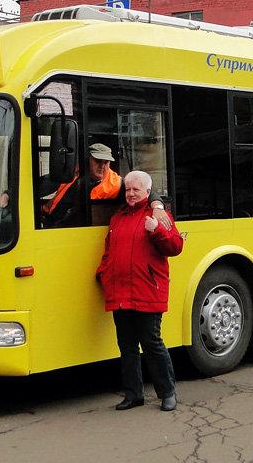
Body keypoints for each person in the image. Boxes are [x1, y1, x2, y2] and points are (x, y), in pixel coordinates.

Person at [96, 170, 183, 412]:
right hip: (120, 292)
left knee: (152, 343)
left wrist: (156, 229)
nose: (131, 194)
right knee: (127, 347)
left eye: (136, 190)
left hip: (147, 291)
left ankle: (167, 393)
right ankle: (133, 395)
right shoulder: (118, 218)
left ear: (147, 192)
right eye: (128, 189)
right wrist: (103, 273)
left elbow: (176, 246)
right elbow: (108, 251)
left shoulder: (158, 215)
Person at [42, 143, 164, 228]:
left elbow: (148, 192)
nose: (102, 166)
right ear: (87, 160)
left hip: (80, 230)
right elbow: (38, 187)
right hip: (51, 225)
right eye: (98, 161)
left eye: (106, 162)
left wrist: (157, 208)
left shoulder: (118, 183)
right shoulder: (70, 175)